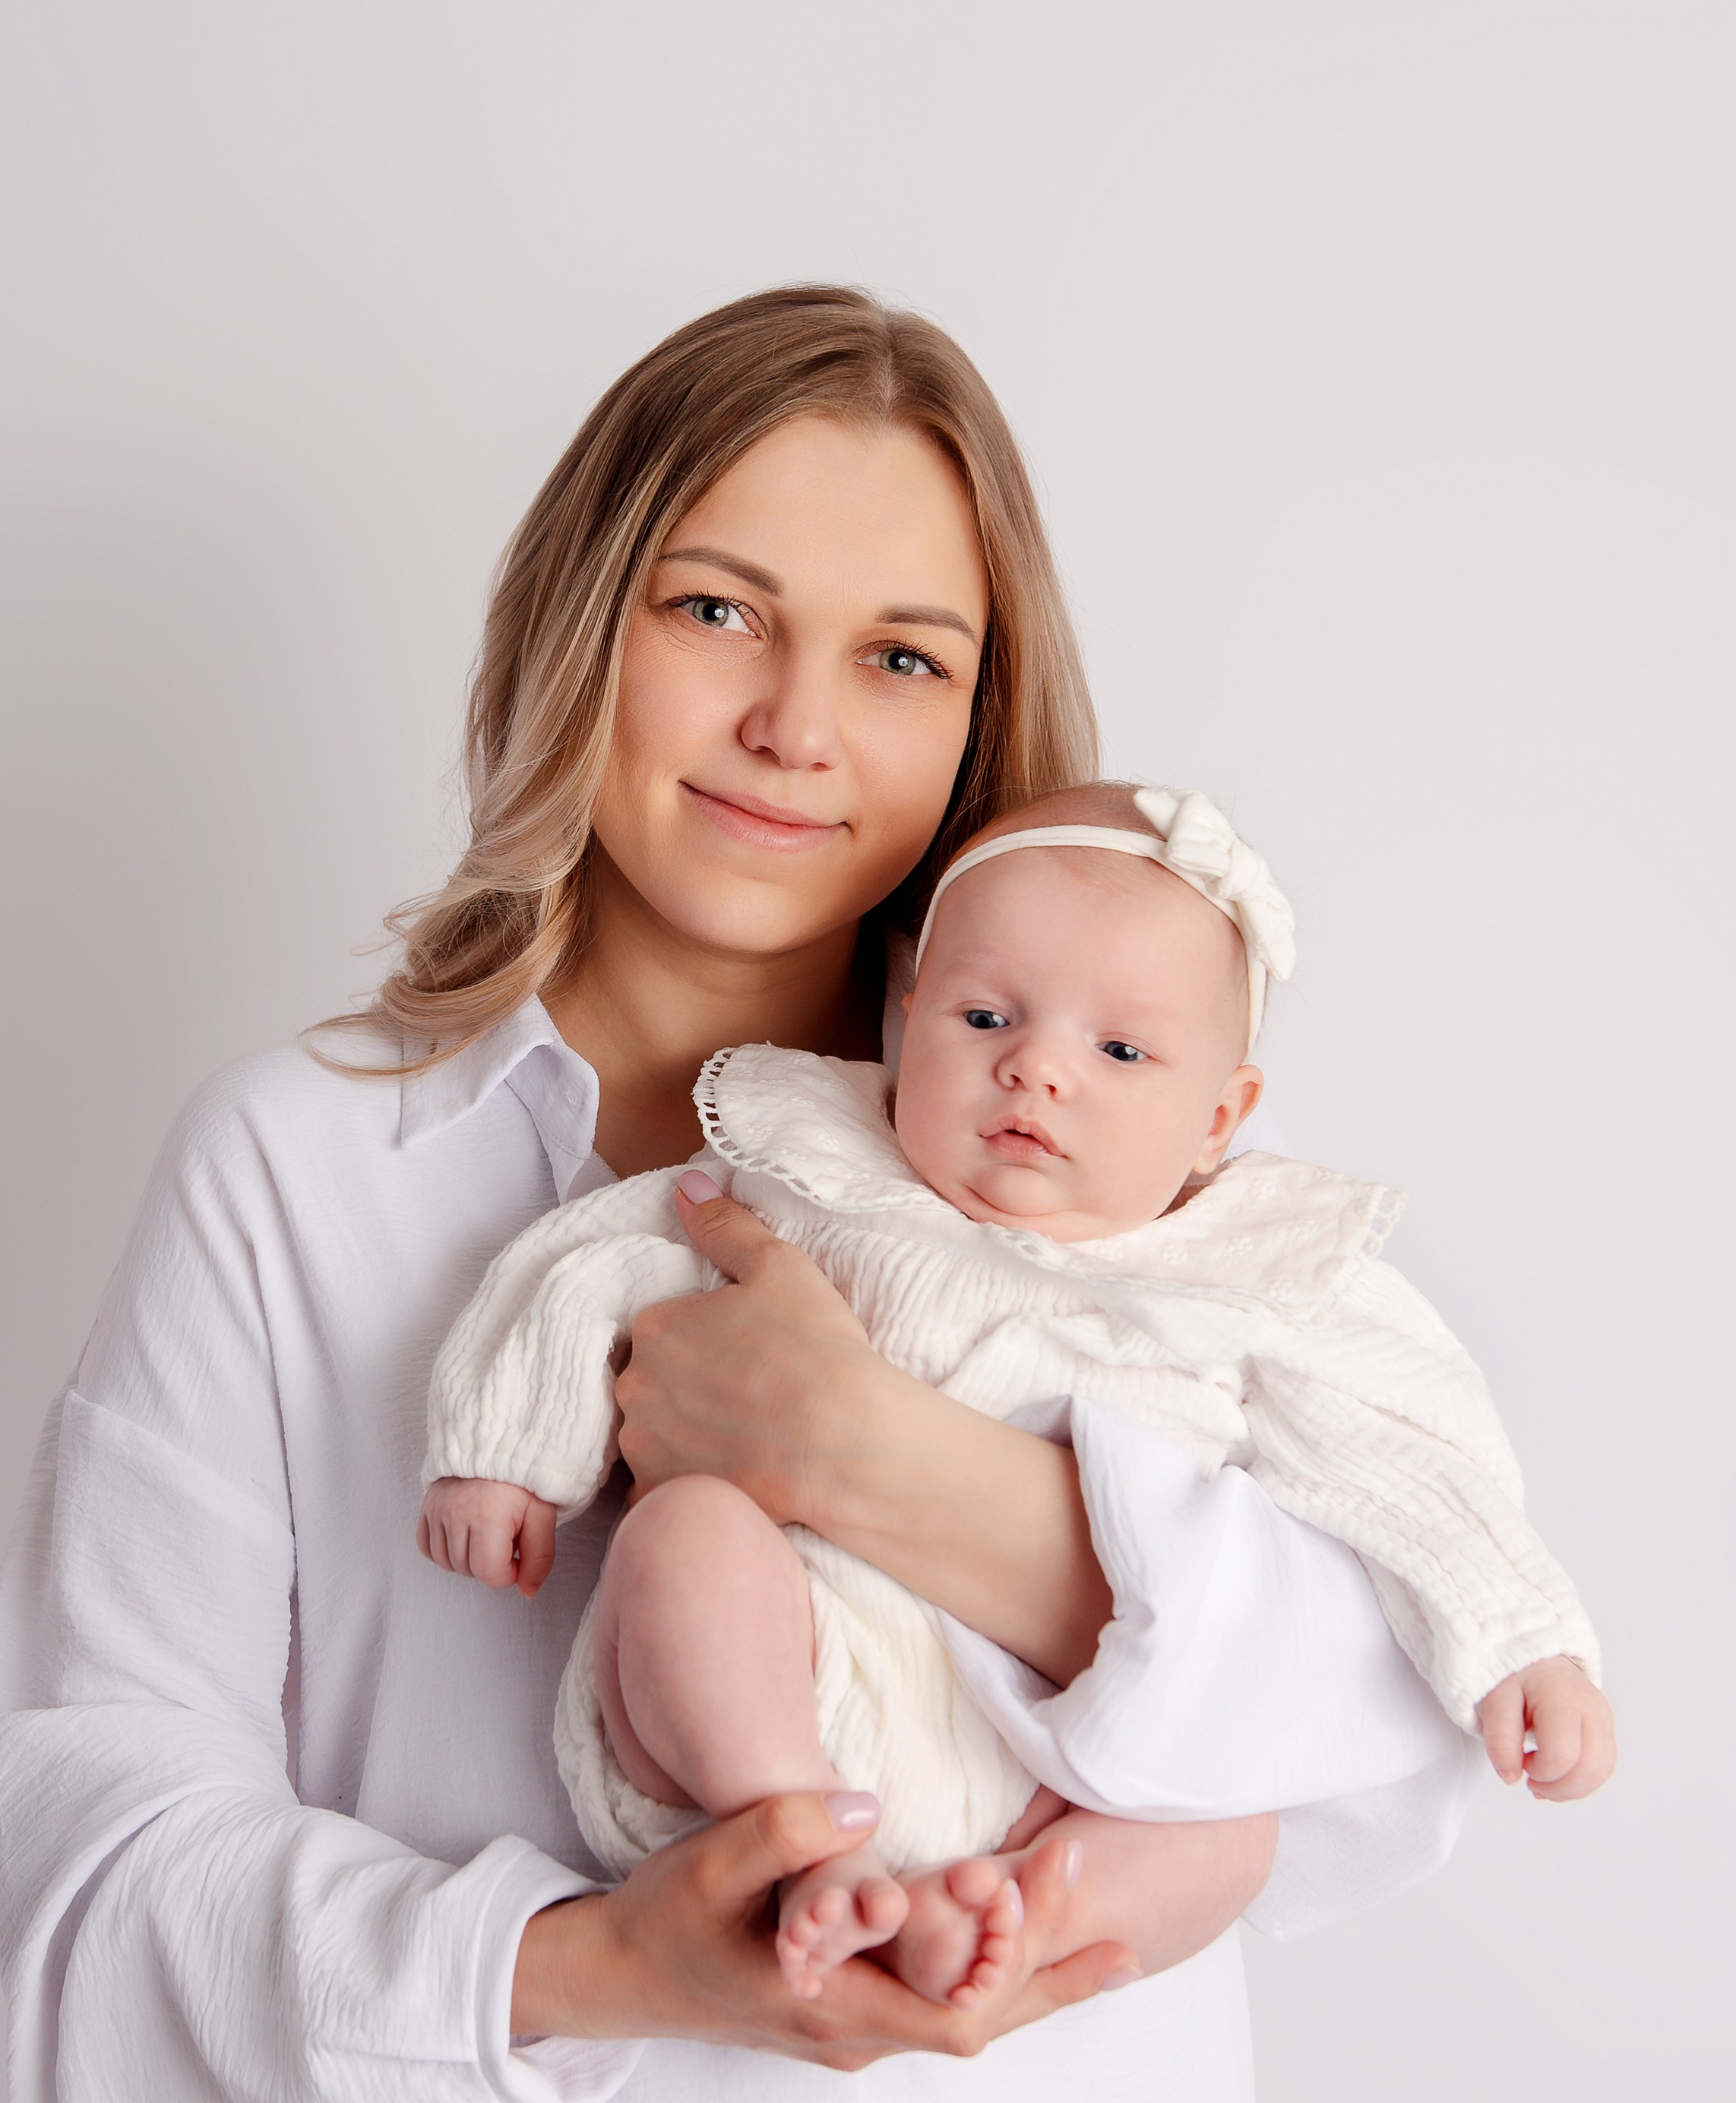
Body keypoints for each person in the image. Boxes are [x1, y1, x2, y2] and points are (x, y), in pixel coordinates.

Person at [0, 286, 1494, 2103]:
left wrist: (888, 1467)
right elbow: (97, 1908)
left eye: (904, 656)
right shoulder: (299, 1174)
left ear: (987, 727)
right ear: (586, 619)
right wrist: (592, 1970)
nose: (796, 723)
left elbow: (1412, 1744)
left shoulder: (1161, 1211)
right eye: (716, 609)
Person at [419, 779, 1613, 2008]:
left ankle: (1024, 1923)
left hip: (1059, 1772)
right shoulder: (822, 1171)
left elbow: (1404, 1453)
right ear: (906, 1018)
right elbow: (613, 1254)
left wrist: (1522, 1645)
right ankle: (796, 1837)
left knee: (1231, 1833)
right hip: (792, 1675)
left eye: (1120, 1050)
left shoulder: (1251, 1280)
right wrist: (509, 1441)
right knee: (683, 1537)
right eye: (986, 1016)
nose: (1037, 1069)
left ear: (1221, 1116)